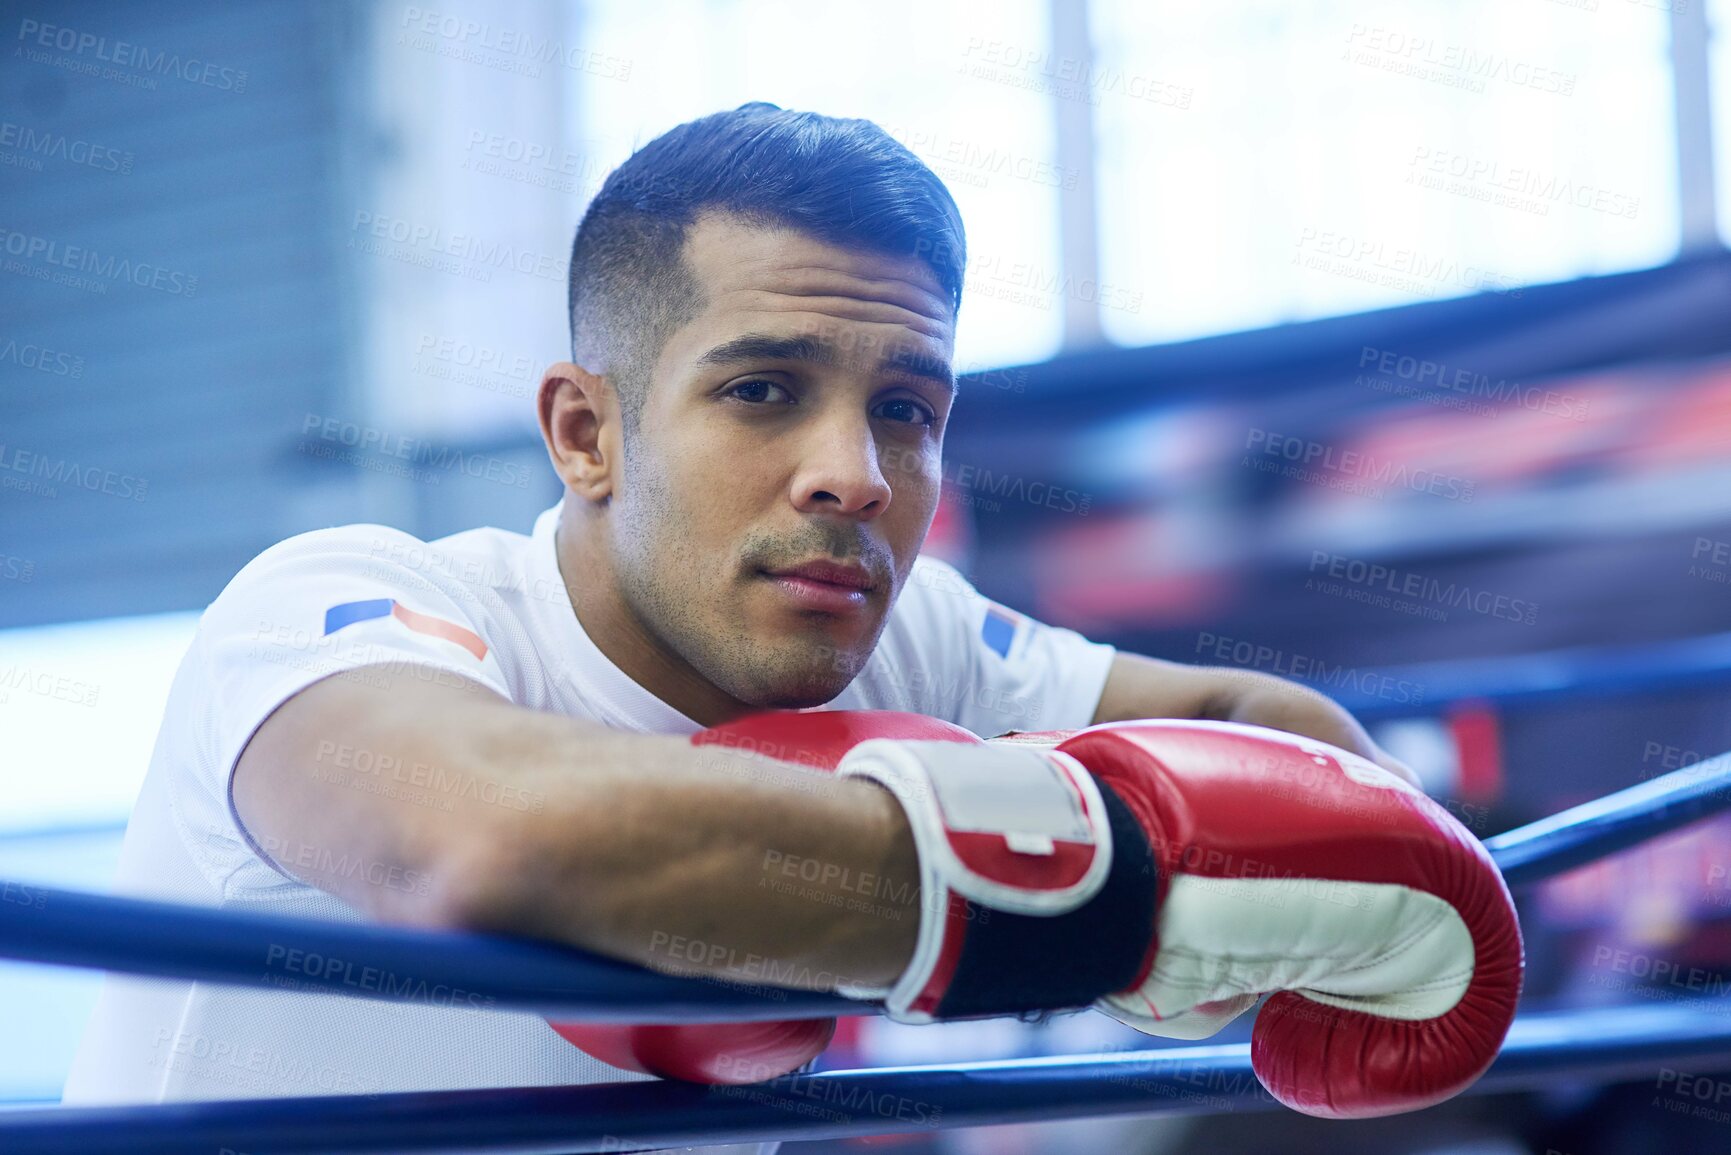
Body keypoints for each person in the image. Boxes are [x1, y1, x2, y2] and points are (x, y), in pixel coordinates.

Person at [61, 104, 1489, 1151]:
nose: (856, 472)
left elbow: (1275, 737)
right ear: (585, 432)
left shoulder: (900, 633)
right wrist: (1090, 906)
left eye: (905, 409)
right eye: (762, 390)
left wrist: (1217, 869)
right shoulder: (341, 602)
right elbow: (489, 841)